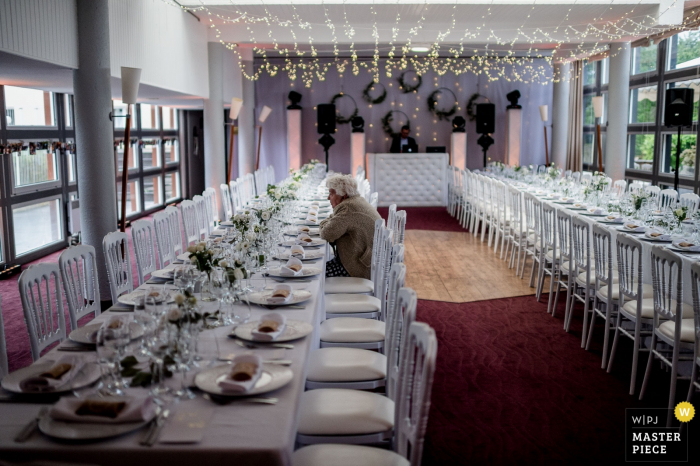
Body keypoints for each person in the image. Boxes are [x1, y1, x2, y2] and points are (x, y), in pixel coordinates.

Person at [319, 174, 381, 278]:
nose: (328, 197)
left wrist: (323, 224)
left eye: (331, 194)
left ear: (343, 195)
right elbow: (332, 218)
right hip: (368, 262)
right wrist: (328, 222)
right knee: (318, 269)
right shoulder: (356, 200)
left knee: (317, 275)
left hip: (358, 268)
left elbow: (326, 233)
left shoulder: (348, 208)